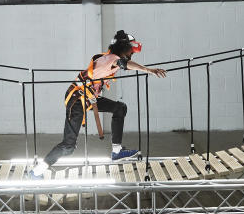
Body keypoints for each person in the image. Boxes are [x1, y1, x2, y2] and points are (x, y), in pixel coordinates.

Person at [28, 30, 167, 180]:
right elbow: (123, 63)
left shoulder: (110, 58)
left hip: (89, 98)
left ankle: (117, 151)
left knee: (120, 108)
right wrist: (147, 70)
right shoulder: (111, 59)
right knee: (68, 146)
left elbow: (122, 64)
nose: (132, 54)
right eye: (131, 50)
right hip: (77, 100)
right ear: (123, 47)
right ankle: (36, 172)